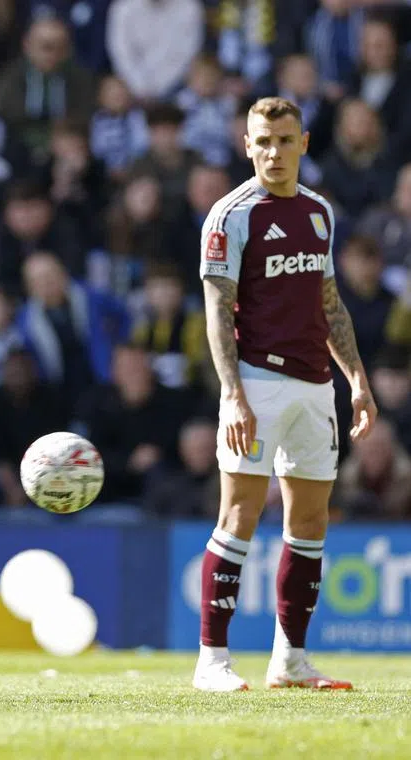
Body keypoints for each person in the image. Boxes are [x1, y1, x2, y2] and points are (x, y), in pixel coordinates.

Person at [194, 97, 377, 692]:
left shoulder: (320, 213)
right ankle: (212, 662)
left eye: (285, 140)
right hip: (257, 379)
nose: (274, 152)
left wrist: (357, 381)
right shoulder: (231, 215)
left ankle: (290, 660)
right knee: (240, 515)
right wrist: (233, 396)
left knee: (310, 522)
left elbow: (329, 304)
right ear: (246, 145)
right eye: (263, 141)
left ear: (304, 143)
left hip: (316, 386)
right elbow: (218, 313)